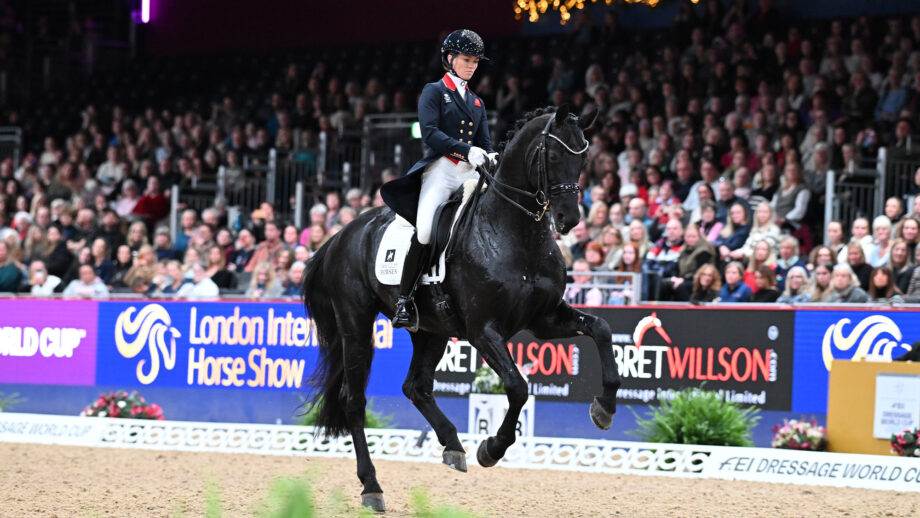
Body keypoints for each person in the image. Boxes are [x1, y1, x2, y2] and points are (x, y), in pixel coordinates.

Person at [380, 29, 496, 330]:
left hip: (470, 172)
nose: (472, 66)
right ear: (450, 59)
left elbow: (485, 141)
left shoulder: (477, 102)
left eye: (475, 62)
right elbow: (430, 132)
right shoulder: (434, 91)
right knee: (426, 231)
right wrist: (465, 149)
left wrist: (491, 155)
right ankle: (404, 299)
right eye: (466, 60)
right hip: (442, 170)